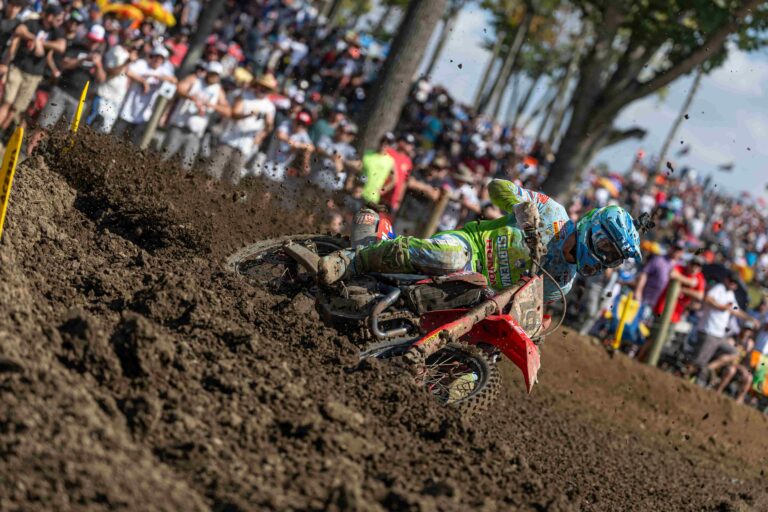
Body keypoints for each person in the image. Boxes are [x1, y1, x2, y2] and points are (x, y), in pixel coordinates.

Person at [318, 180, 643, 304]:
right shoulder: (551, 212)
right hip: (467, 247)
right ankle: (351, 260)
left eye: (613, 259)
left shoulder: (561, 284)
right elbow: (496, 187)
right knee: (450, 259)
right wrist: (521, 205)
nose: (605, 261)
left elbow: (521, 311)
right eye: (607, 250)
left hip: (474, 295)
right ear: (593, 229)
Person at [29, 24, 106, 153]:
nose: (93, 44)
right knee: (44, 124)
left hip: (79, 100)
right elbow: (64, 64)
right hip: (62, 91)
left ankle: (46, 158)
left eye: (96, 41)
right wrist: (82, 60)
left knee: (63, 133)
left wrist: (98, 65)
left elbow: (102, 79)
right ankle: (29, 151)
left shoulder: (100, 57)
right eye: (92, 40)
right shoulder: (76, 47)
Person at [0, 3, 66, 131]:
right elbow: (19, 30)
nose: (60, 21)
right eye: (58, 18)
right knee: (7, 102)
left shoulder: (56, 31)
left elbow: (61, 46)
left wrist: (41, 43)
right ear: (50, 16)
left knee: (16, 109)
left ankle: (1, 134)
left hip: (34, 75)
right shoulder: (33, 23)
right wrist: (34, 38)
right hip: (18, 68)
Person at [209, 73, 276, 184]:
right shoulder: (244, 96)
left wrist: (264, 130)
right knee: (214, 170)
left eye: (267, 89)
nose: (264, 90)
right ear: (258, 85)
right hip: (229, 138)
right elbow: (234, 114)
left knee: (233, 177)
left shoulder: (270, 107)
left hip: (246, 144)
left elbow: (268, 128)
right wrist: (248, 114)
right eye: (263, 87)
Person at [163, 61, 229, 170]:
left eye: (216, 75)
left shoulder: (218, 90)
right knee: (164, 157)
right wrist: (192, 97)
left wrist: (212, 105)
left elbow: (227, 111)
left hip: (196, 134)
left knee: (186, 166)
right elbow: (180, 88)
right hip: (179, 127)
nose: (213, 77)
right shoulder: (194, 80)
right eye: (212, 74)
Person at [691, 271, 755, 375]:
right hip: (709, 331)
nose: (733, 284)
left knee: (734, 353)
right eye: (731, 281)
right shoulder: (719, 288)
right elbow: (707, 298)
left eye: (735, 283)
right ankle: (685, 377)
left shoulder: (730, 294)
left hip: (719, 335)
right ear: (726, 280)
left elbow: (735, 309)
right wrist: (720, 307)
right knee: (698, 361)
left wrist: (749, 318)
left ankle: (707, 369)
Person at [113, 45, 177, 145]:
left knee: (132, 144)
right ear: (151, 56)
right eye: (156, 57)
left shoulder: (164, 71)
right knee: (114, 139)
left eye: (161, 58)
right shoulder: (141, 64)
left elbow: (174, 80)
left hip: (144, 114)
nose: (157, 60)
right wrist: (143, 81)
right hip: (127, 109)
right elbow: (128, 71)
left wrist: (157, 76)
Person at [360, 133, 395, 204]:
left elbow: (394, 180)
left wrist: (383, 190)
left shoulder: (390, 161)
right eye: (383, 141)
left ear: (390, 145)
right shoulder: (367, 154)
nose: (384, 144)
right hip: (359, 192)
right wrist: (351, 182)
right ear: (379, 141)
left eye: (388, 143)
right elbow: (358, 169)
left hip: (373, 198)